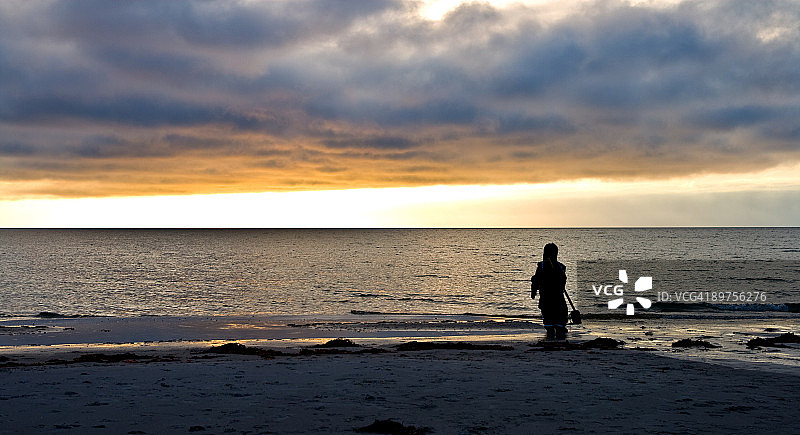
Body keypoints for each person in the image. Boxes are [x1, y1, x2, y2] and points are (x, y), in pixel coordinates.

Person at [530, 243, 568, 339]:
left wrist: (533, 292)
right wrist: (533, 291)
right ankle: (557, 328)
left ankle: (552, 328)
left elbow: (535, 280)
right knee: (560, 313)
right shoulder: (560, 266)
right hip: (557, 296)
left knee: (548, 314)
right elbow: (563, 280)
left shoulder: (542, 266)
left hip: (547, 296)